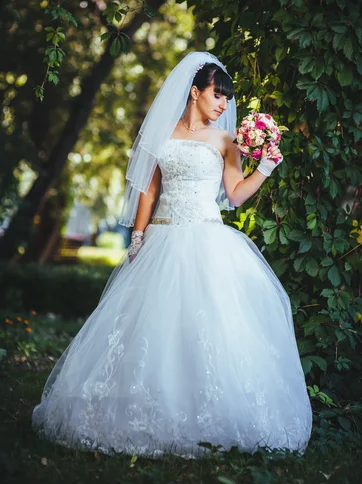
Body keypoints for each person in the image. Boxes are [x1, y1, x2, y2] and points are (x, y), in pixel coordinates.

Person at [32, 51, 312, 458]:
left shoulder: (226, 141)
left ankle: (210, 416)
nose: (222, 105)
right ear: (195, 91)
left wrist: (265, 168)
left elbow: (235, 195)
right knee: (148, 327)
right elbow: (149, 188)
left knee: (210, 327)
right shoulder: (162, 134)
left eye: (226, 100)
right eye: (218, 95)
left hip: (207, 241)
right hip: (162, 239)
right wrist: (139, 234)